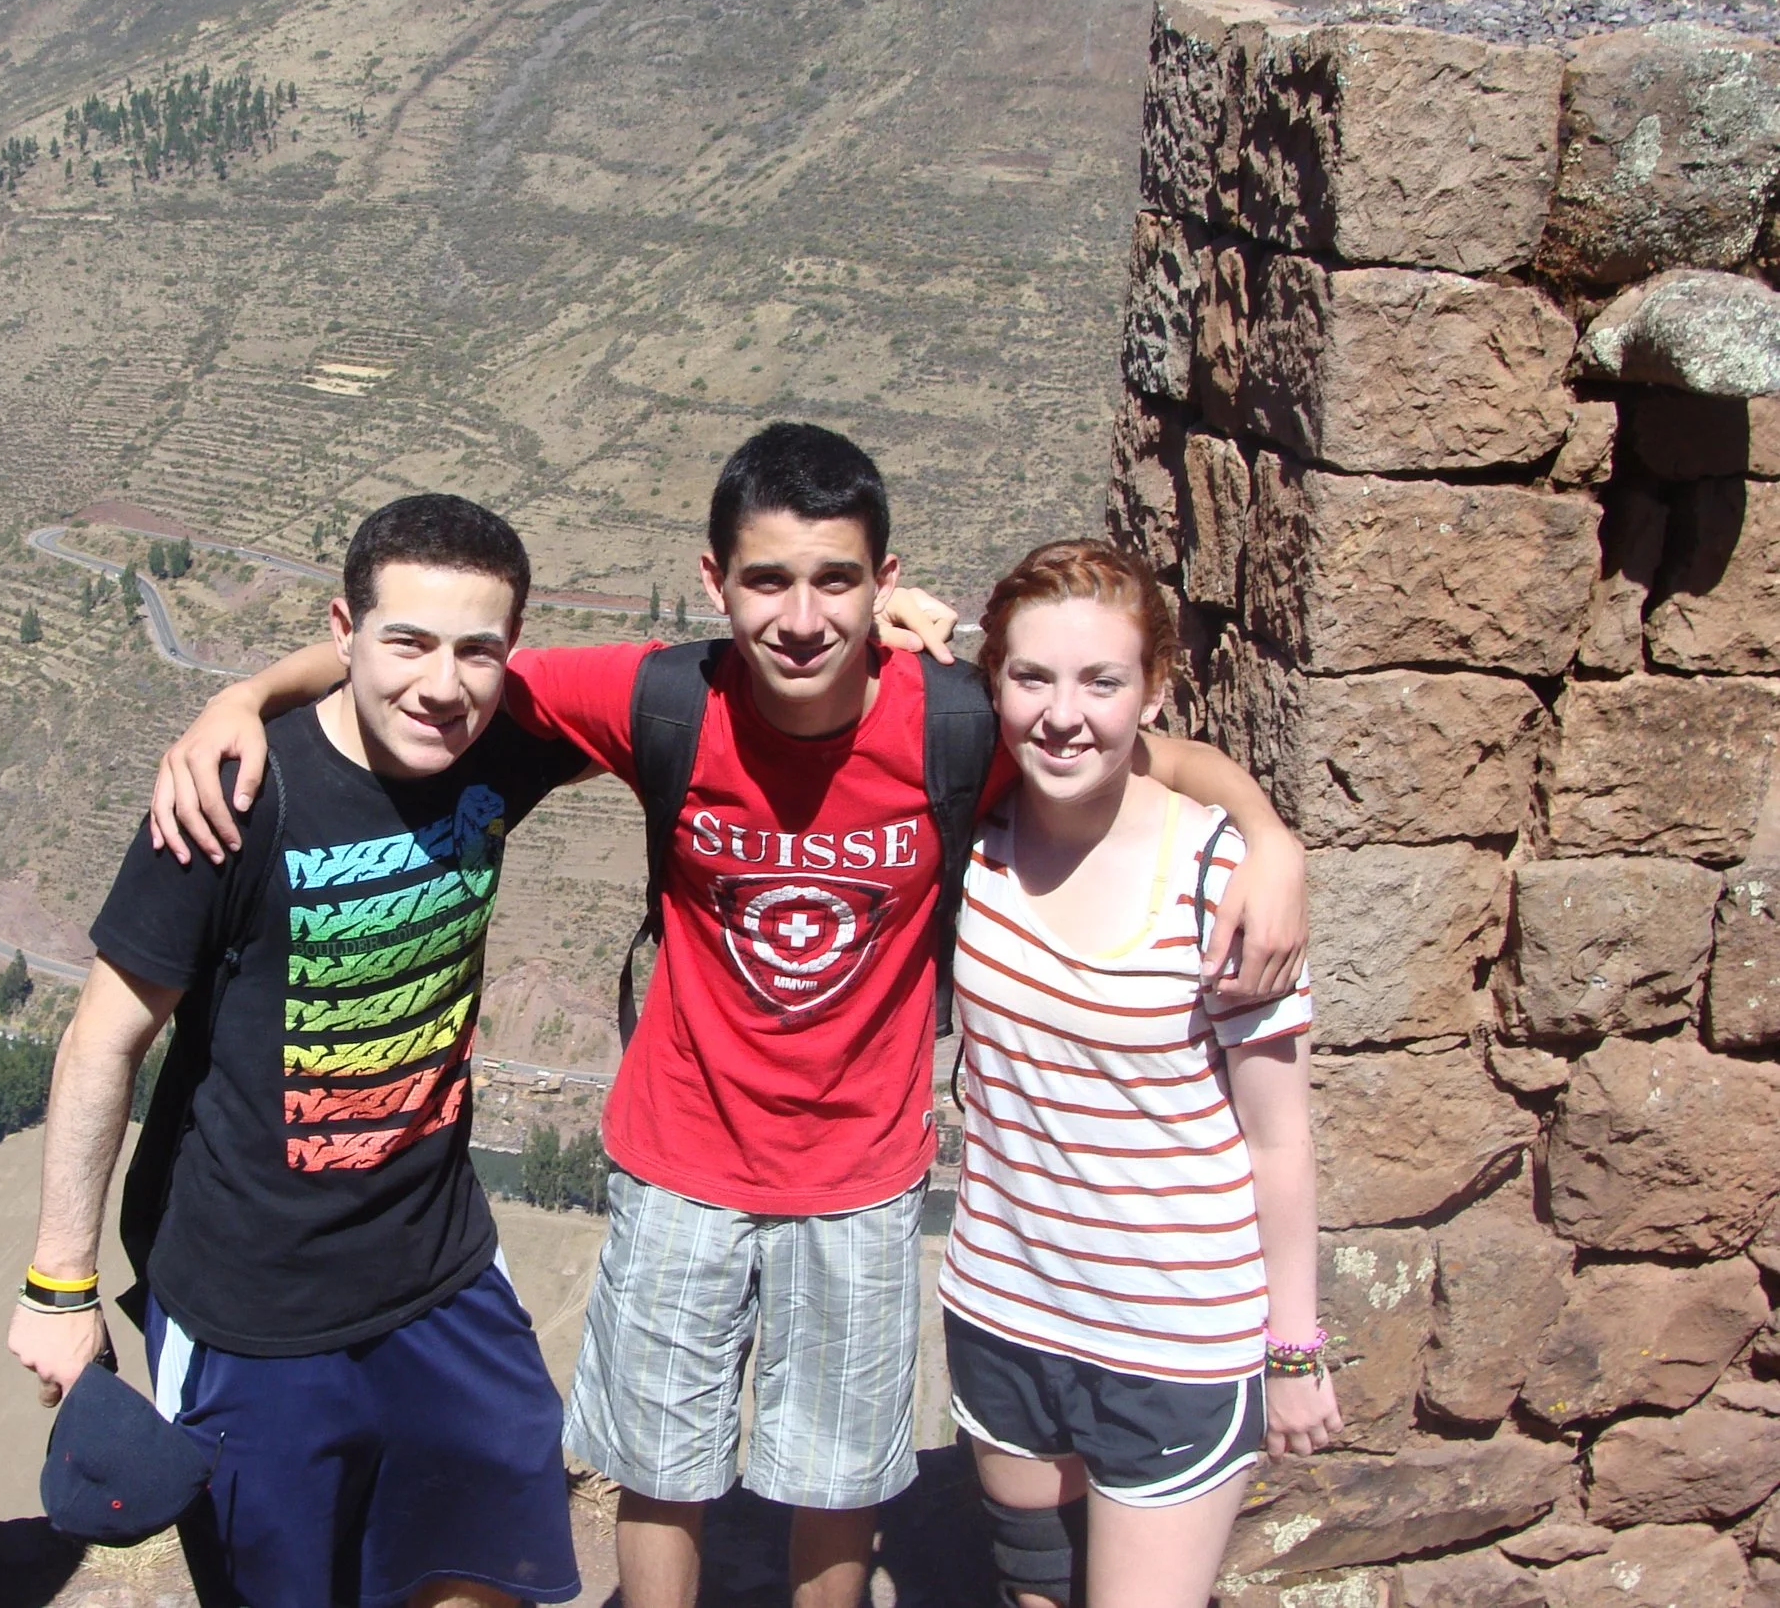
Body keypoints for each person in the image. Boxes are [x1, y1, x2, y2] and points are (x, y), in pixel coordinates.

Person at [147, 424, 1309, 1608]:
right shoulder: (662, 696)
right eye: (765, 578)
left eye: (836, 580)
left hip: (859, 1174)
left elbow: (1138, 749)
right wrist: (241, 694)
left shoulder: (952, 721)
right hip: (678, 1158)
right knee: (660, 1470)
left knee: (836, 1480)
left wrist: (1268, 834)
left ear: (884, 584)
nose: (800, 616)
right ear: (714, 582)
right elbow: (442, 655)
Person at [7, 494, 592, 1608]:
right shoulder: (235, 795)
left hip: (441, 1271)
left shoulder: (501, 750)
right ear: (343, 629)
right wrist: (57, 1281)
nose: (440, 683)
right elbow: (104, 1037)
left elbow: (714, 680)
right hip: (253, 1308)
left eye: (478, 650)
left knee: (486, 1569)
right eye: (406, 640)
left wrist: (887, 626)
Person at [941, 539, 1339, 1608]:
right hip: (1001, 1308)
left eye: (1101, 681)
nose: (1062, 713)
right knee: (1032, 1592)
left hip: (1171, 1335)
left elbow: (1276, 1135)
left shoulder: (1219, 875)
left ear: (1154, 691)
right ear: (992, 683)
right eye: (1031, 677)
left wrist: (1293, 1348)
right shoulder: (968, 830)